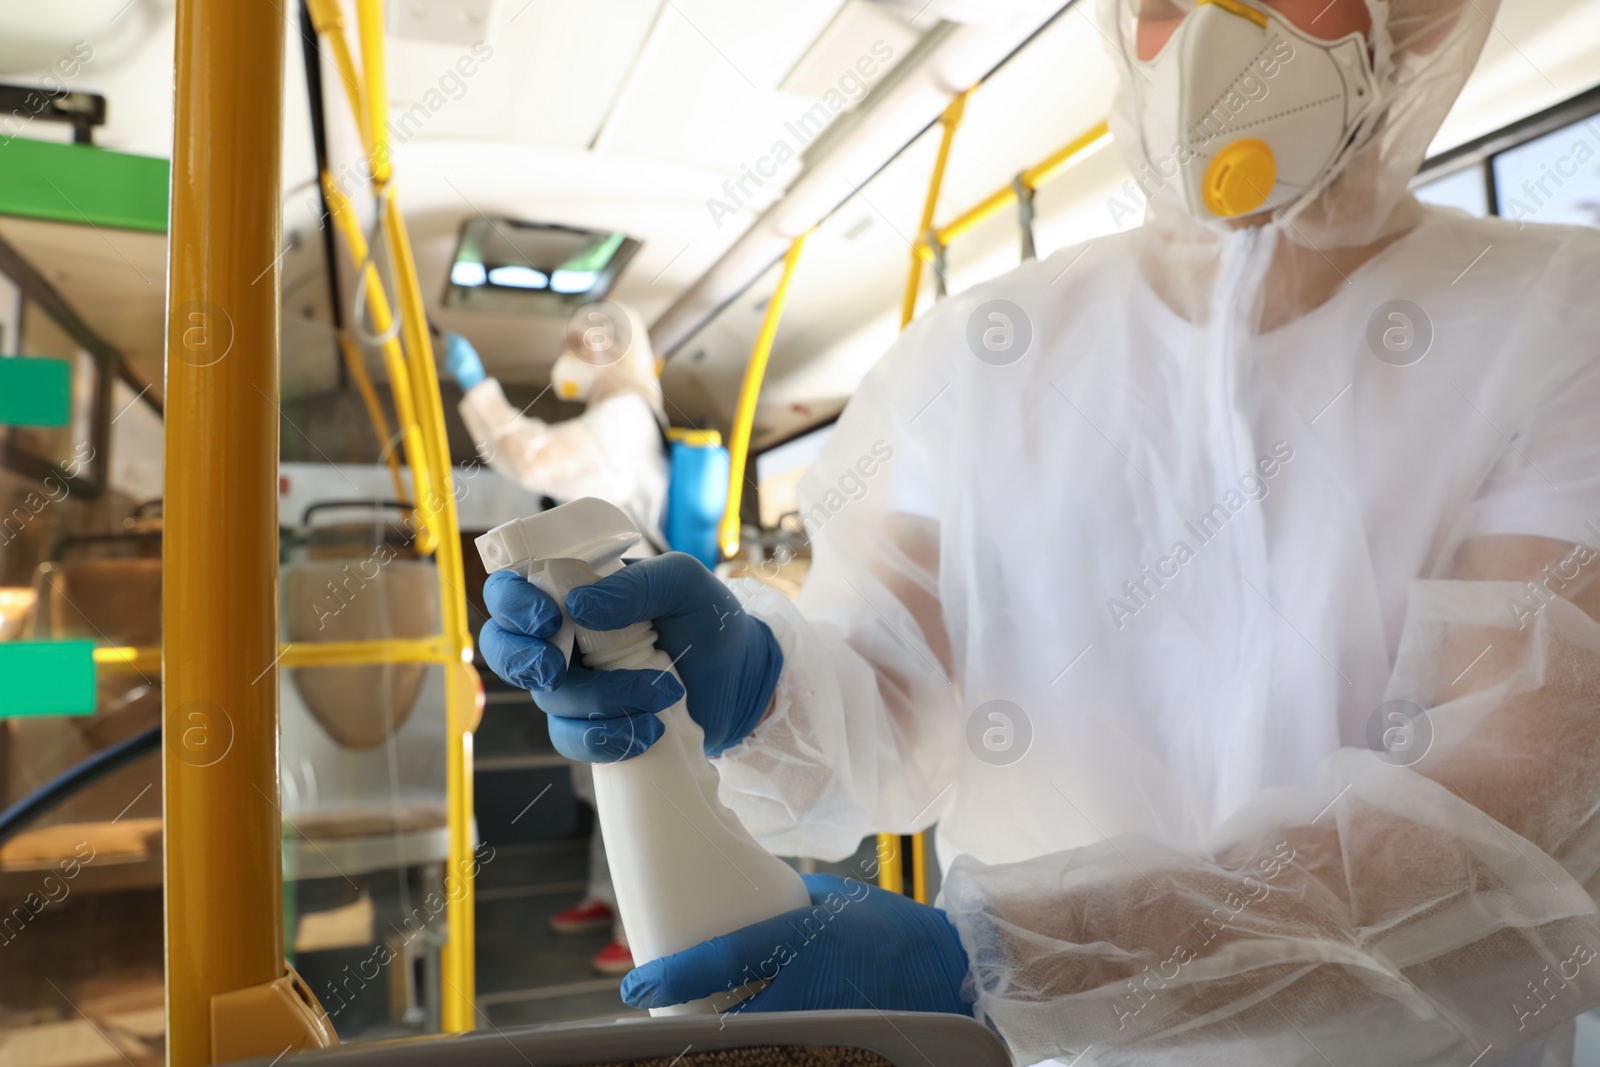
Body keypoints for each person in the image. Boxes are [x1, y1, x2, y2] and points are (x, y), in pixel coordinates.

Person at [478, 0, 1600, 1061]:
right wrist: (756, 684)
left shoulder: (1559, 328)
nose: (1210, 35)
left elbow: (1511, 838)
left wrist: (1017, 956)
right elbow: (888, 705)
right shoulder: (981, 353)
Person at [445, 302, 668, 976]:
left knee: (639, 780)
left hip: (634, 622)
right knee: (606, 776)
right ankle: (608, 898)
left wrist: (476, 387)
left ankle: (646, 929)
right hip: (601, 620)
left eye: (584, 340)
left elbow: (535, 455)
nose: (571, 351)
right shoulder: (616, 416)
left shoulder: (626, 414)